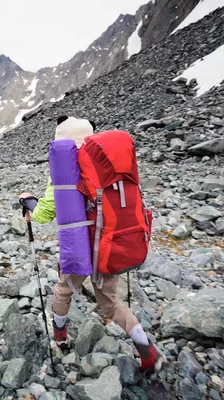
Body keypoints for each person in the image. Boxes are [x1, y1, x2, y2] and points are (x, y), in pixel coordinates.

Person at [19, 116, 165, 375]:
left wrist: (28, 201)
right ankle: (147, 350)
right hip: (112, 246)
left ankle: (61, 335)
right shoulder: (108, 167)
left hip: (81, 250)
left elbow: (43, 214)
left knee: (64, 289)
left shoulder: (65, 173)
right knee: (110, 302)